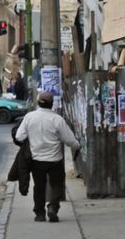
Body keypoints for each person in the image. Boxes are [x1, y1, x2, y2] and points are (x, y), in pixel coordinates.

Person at [13, 91, 79, 222]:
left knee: (39, 187)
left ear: (38, 103)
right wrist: (77, 146)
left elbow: (19, 137)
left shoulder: (29, 117)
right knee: (58, 185)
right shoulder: (57, 119)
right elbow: (69, 139)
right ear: (52, 104)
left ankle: (39, 214)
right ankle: (53, 207)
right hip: (55, 160)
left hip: (37, 160)